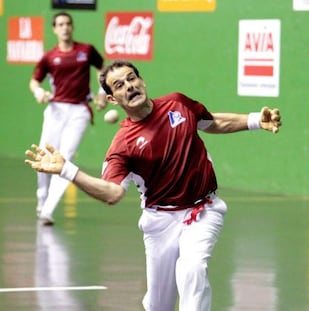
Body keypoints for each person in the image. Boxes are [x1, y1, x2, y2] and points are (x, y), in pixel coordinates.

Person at [25, 60, 282, 311]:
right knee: (159, 304)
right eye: (118, 85)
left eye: (131, 78)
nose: (128, 86)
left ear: (142, 81)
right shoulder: (122, 145)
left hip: (204, 209)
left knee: (192, 269)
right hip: (160, 222)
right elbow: (112, 193)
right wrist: (67, 170)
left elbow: (212, 122)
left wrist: (255, 120)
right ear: (113, 99)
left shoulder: (178, 104)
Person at [29, 12, 107, 225]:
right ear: (54, 29)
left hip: (80, 111)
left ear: (72, 27)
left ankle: (47, 210)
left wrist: (101, 93)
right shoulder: (49, 57)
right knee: (45, 156)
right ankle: (41, 199)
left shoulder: (86, 50)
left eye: (68, 24)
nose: (65, 28)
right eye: (60, 24)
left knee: (66, 157)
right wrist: (39, 93)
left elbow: (104, 70)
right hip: (55, 110)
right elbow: (34, 82)